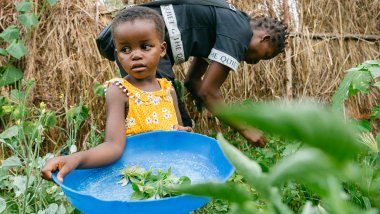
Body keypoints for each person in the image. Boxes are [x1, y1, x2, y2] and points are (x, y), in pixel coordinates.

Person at [100, 1, 289, 147]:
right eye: (263, 55)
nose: (253, 61)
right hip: (143, 42)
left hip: (138, 42)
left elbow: (193, 82)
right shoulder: (239, 32)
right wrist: (245, 129)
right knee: (173, 130)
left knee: (179, 127)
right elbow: (208, 91)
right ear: (265, 38)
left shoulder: (226, 26)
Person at [41, 6, 192, 182]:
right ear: (117, 54)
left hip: (168, 174)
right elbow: (113, 146)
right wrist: (76, 158)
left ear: (162, 49)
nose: (135, 55)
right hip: (136, 178)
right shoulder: (119, 90)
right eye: (125, 49)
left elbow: (177, 134)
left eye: (145, 46)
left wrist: (181, 133)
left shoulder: (168, 89)